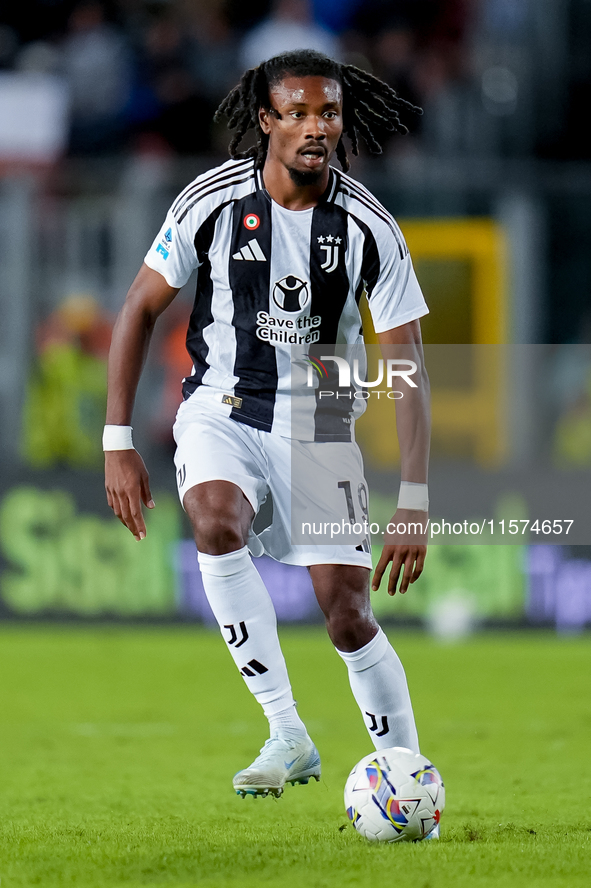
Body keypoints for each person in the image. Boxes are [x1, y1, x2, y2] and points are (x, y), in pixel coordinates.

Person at [104, 49, 431, 805]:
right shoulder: (211, 201)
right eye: (296, 113)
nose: (314, 127)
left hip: (321, 419)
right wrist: (116, 442)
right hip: (222, 404)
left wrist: (413, 495)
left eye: (327, 113)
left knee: (347, 616)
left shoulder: (368, 226)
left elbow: (407, 362)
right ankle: (286, 731)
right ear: (265, 120)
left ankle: (408, 777)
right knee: (214, 520)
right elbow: (138, 309)